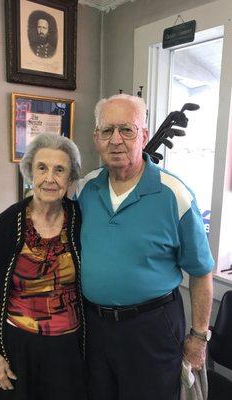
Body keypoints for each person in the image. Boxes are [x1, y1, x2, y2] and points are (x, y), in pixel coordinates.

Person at [75, 94, 214, 400]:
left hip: (152, 328)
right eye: (107, 131)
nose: (116, 140)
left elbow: (202, 273)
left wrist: (199, 337)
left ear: (144, 136)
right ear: (96, 138)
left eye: (127, 130)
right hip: (95, 327)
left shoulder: (174, 195)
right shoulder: (85, 189)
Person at [0, 133, 86, 400]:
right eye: (42, 168)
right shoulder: (8, 223)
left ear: (70, 178)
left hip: (69, 346)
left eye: (60, 170)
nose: (50, 178)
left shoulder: (81, 219)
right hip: (18, 343)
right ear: (30, 173)